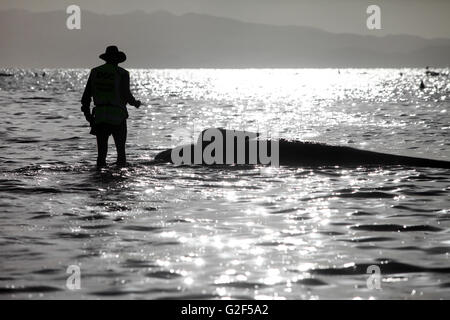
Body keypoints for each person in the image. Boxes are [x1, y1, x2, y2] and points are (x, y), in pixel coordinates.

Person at [81, 45, 141, 167]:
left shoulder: (95, 72)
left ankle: (99, 179)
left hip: (100, 116)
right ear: (118, 60)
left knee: (101, 155)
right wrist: (135, 103)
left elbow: (86, 97)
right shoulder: (122, 73)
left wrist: (88, 115)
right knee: (121, 153)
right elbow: (126, 95)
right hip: (118, 116)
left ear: (106, 58)